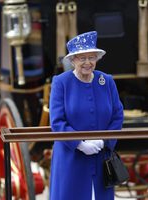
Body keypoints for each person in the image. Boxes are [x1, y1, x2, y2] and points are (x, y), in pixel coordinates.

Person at [49, 31, 123, 200]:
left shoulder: (106, 81)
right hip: (71, 157)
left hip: (101, 157)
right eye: (82, 58)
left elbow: (117, 115)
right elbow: (57, 121)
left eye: (92, 57)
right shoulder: (61, 82)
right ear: (73, 60)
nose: (88, 63)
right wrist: (79, 144)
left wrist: (104, 141)